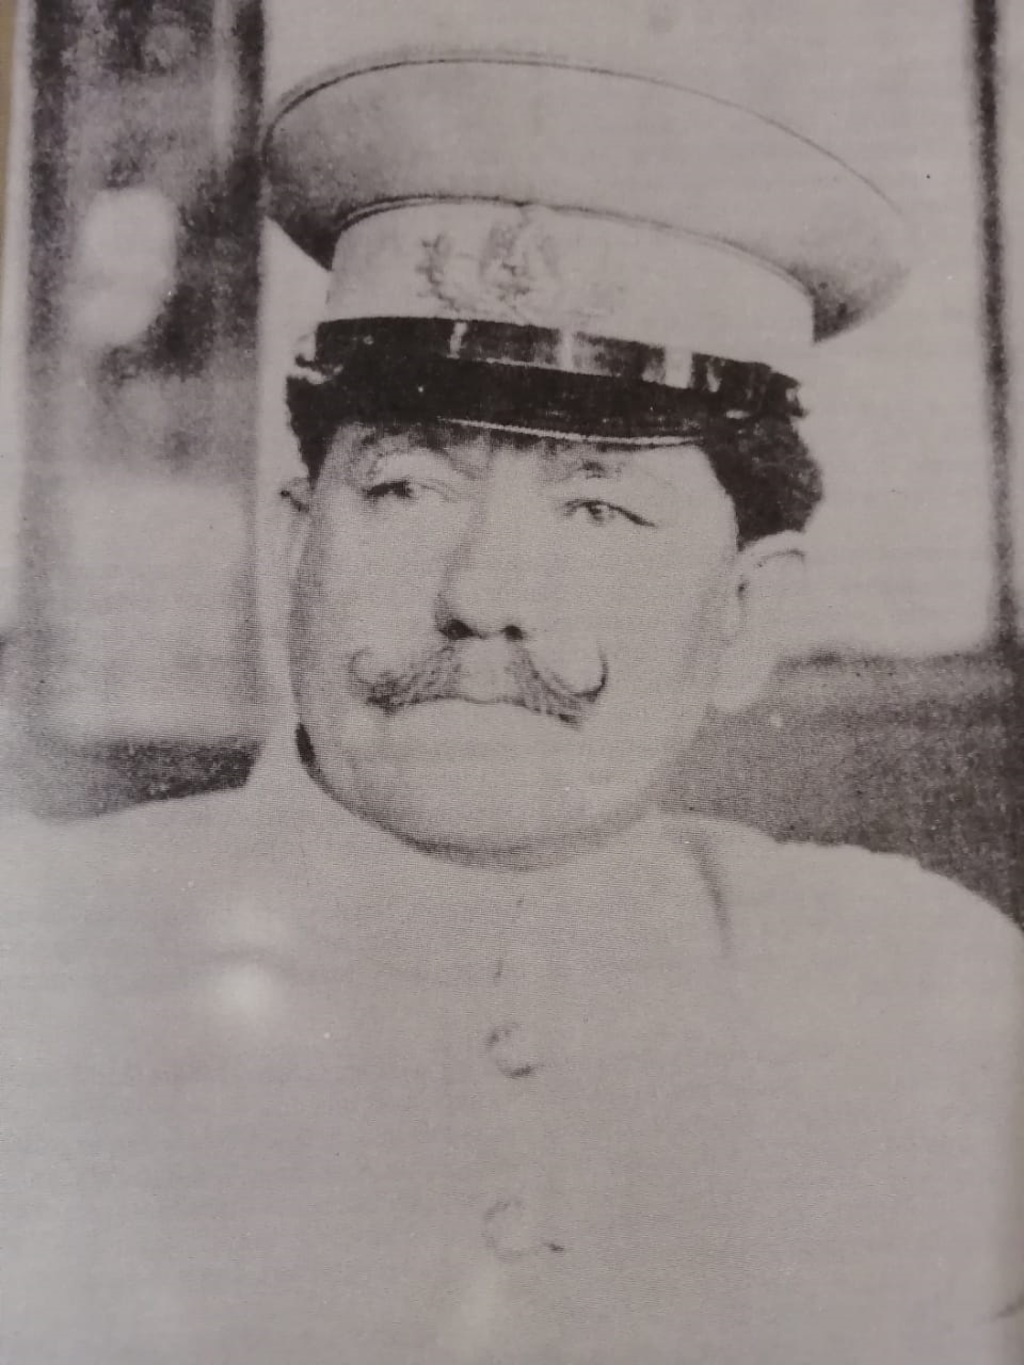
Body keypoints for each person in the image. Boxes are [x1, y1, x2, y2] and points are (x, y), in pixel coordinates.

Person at [4, 50, 1023, 1365]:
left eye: (600, 510)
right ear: (294, 542)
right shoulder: (43, 963)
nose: (482, 596)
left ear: (747, 618)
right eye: (407, 491)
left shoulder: (923, 997)